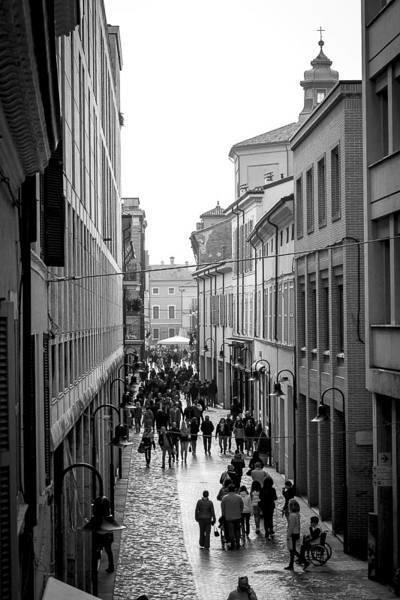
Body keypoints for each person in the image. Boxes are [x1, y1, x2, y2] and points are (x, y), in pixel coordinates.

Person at [221, 484, 244, 550]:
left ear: (228, 490)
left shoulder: (225, 498)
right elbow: (241, 506)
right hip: (237, 516)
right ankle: (237, 542)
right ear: (234, 489)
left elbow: (223, 508)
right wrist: (240, 512)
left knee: (231, 531)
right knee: (237, 529)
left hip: (229, 517)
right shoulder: (239, 497)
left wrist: (223, 515)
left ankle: (232, 543)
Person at [284, 499, 301, 570]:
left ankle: (302, 560)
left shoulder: (292, 515)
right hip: (296, 533)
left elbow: (291, 526)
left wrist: (288, 535)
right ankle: (291, 564)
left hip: (292, 534)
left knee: (292, 550)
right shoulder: (297, 514)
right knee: (293, 550)